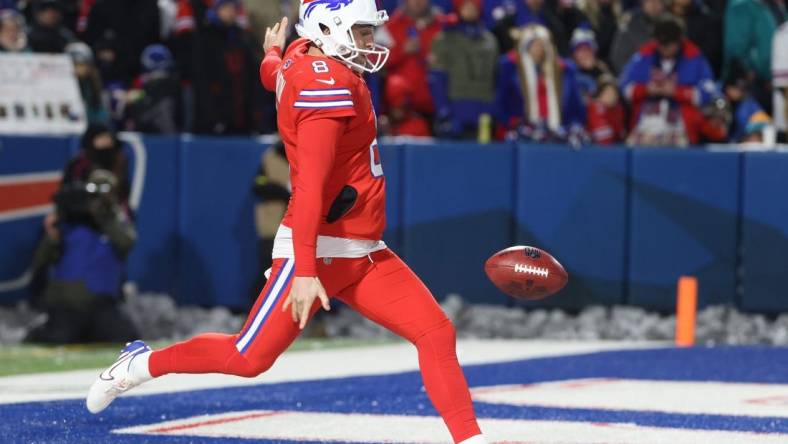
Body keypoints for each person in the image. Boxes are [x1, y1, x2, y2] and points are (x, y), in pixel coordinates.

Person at [86, 2, 486, 444]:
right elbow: (311, 187)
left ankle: (470, 439)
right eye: (361, 32)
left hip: (363, 251)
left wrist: (272, 54)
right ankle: (140, 365)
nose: (371, 43)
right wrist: (307, 270)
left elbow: (272, 73)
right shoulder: (324, 84)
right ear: (329, 30)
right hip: (314, 247)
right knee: (248, 357)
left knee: (435, 331)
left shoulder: (301, 57)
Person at [27, 124, 137, 343]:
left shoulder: (116, 221)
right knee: (59, 335)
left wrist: (104, 213)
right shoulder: (67, 222)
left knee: (126, 339)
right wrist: (54, 232)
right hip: (66, 304)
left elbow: (126, 242)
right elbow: (40, 262)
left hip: (102, 304)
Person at [619, 15, 718, 146]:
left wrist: (676, 92)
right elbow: (624, 86)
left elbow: (708, 93)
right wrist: (647, 89)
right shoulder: (644, 55)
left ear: (679, 41)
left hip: (681, 124)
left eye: (669, 45)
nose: (664, 49)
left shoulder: (694, 56)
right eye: (661, 45)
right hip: (647, 121)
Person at [493, 24, 587, 144]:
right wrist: (515, 123)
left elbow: (575, 106)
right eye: (534, 44)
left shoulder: (564, 71)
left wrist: (572, 126)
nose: (538, 48)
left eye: (542, 44)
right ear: (525, 46)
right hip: (524, 133)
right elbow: (501, 103)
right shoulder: (511, 69)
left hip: (557, 132)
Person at [429, 0, 499, 138]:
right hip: (456, 105)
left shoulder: (490, 40)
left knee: (484, 155)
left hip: (483, 107)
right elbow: (437, 78)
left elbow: (496, 78)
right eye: (466, 6)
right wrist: (443, 110)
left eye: (473, 6)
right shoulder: (444, 39)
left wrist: (493, 108)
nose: (470, 10)